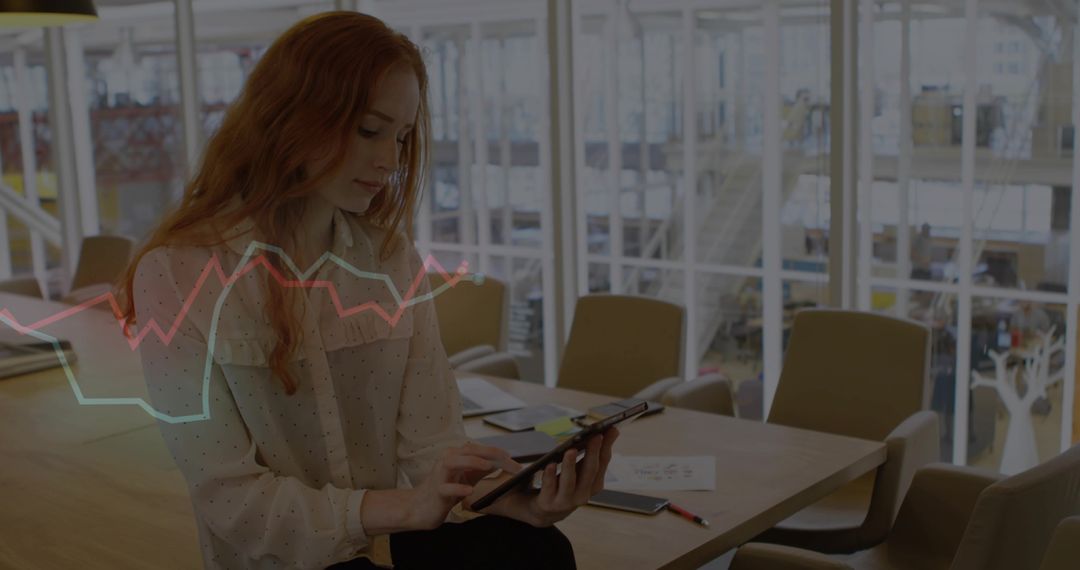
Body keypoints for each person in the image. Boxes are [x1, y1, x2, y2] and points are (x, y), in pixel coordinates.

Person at [118, 12, 617, 570]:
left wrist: (506, 498)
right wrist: (405, 508)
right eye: (368, 131)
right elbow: (232, 502)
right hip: (282, 562)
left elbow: (431, 450)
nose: (391, 161)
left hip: (383, 549)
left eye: (401, 137)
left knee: (536, 547)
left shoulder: (390, 259)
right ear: (291, 118)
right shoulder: (176, 275)